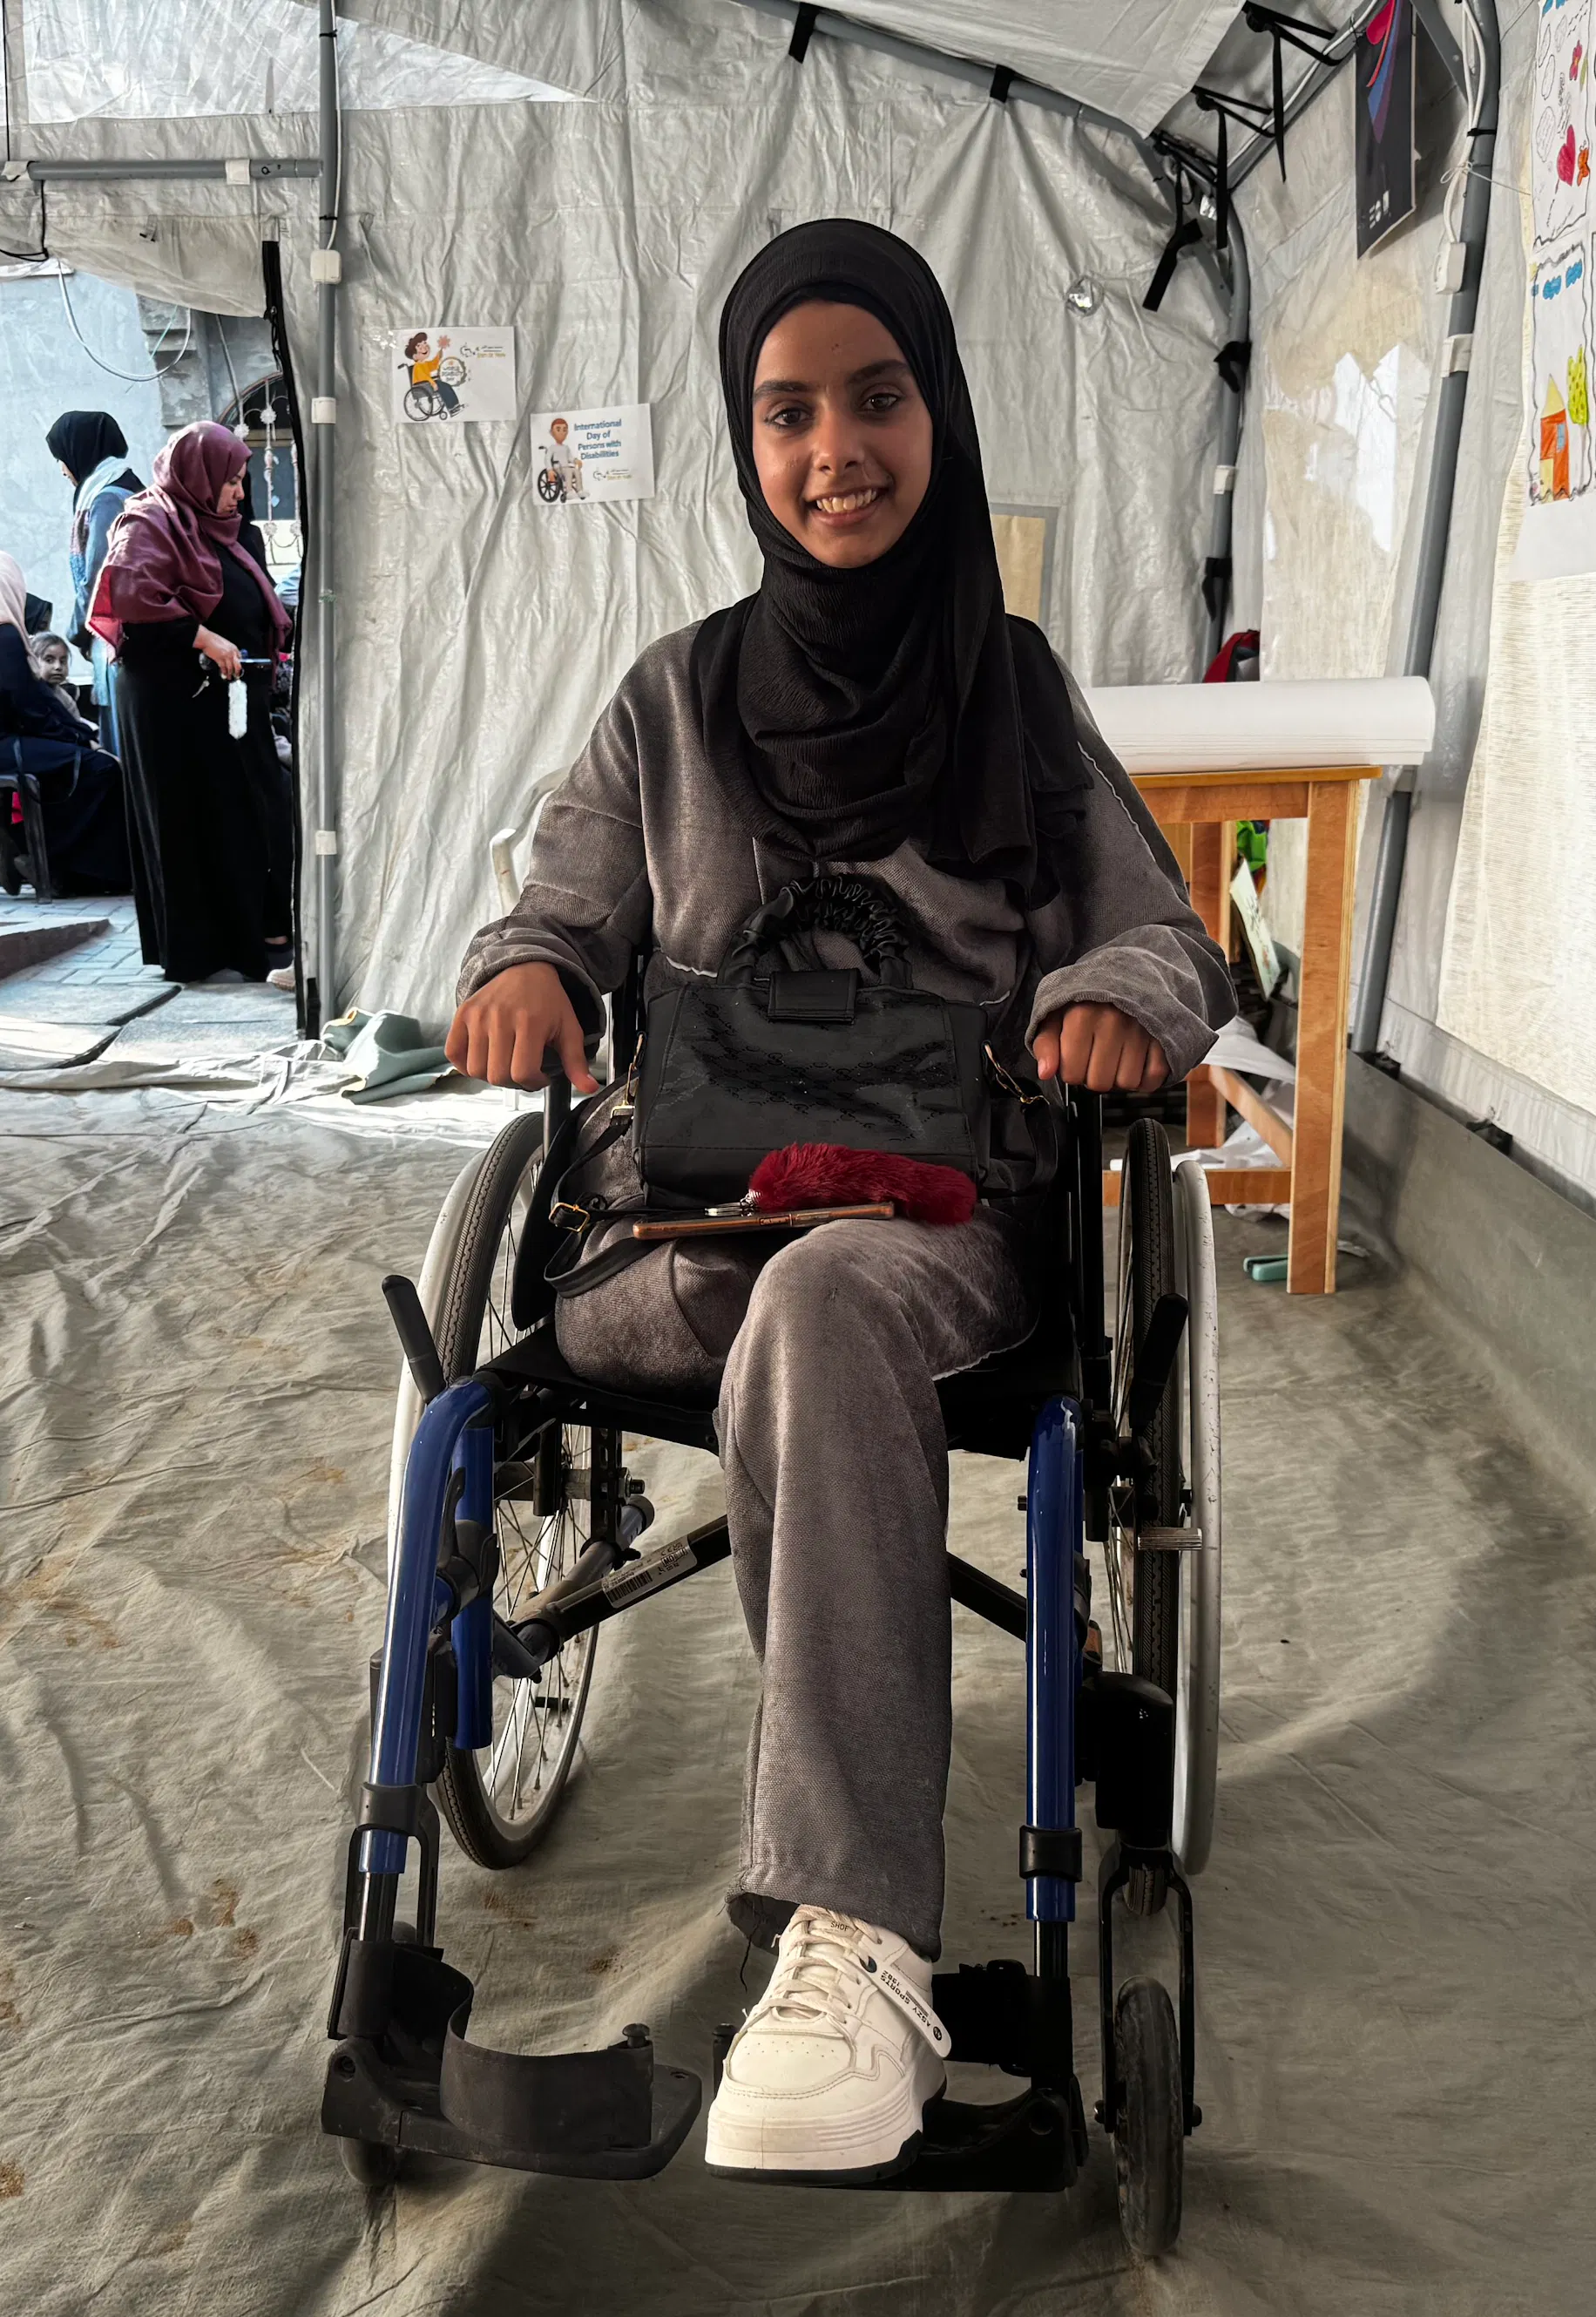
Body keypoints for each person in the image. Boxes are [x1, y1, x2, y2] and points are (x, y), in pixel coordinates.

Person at [443, 220, 1230, 2178]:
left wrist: (1117, 1012)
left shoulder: (1017, 694)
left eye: (875, 400)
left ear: (939, 418)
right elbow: (556, 905)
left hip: (935, 1233)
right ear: (744, 439)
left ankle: (851, 1936)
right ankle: (817, 1903)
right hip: (687, 1231)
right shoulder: (676, 701)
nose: (834, 451)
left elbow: (1157, 938)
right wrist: (526, 967)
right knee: (618, 1341)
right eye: (786, 412)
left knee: (827, 1308)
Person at [95, 423, 296, 982]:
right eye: (229, 481)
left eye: (241, 481)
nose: (237, 493)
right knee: (186, 821)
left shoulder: (232, 531)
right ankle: (201, 950)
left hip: (230, 697)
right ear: (198, 476)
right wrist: (204, 637)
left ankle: (262, 934)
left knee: (257, 810)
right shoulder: (148, 522)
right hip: (169, 702)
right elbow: (133, 604)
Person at [0, 551, 128, 894]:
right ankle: (53, 862)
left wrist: (77, 734)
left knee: (77, 762)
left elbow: (32, 704)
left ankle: (34, 851)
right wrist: (82, 740)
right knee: (100, 769)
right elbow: (30, 707)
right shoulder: (1, 637)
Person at [50, 410, 143, 725]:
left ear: (80, 450)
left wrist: (75, 633)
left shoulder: (107, 499)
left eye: (61, 457)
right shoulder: (127, 488)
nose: (63, 470)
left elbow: (99, 580)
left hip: (120, 644)